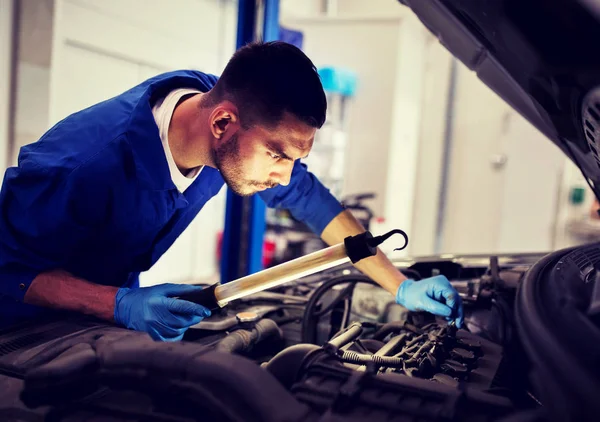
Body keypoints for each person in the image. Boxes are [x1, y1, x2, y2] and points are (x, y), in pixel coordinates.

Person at [0, 41, 463, 341]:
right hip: (20, 338)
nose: (284, 176)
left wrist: (401, 286)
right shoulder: (86, 165)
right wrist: (118, 304)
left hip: (93, 326)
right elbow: (7, 271)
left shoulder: (220, 117)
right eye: (279, 156)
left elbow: (309, 200)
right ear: (222, 123)